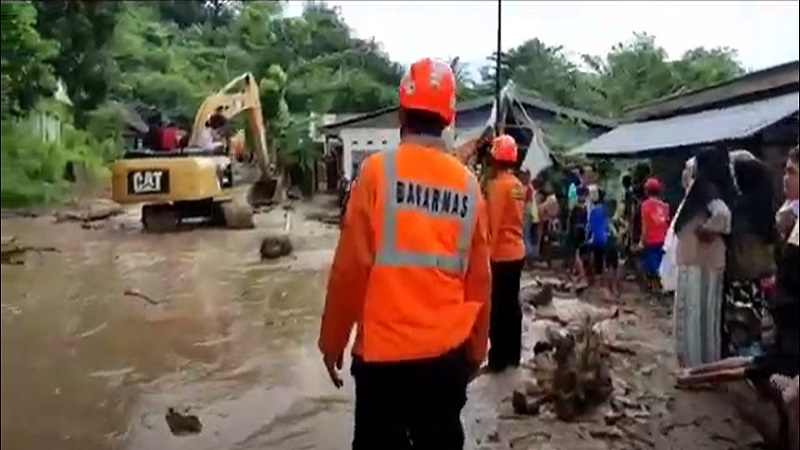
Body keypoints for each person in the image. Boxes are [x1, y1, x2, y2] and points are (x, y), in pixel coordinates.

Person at [318, 58, 491, 450]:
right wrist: (477, 350)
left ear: (400, 113)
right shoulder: (469, 186)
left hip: (382, 362)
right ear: (449, 118)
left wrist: (332, 342)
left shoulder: (377, 173)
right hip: (447, 360)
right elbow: (479, 281)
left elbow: (349, 269)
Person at [672, 147, 736, 368]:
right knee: (707, 317)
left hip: (698, 260)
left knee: (693, 314)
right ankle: (707, 362)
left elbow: (723, 215)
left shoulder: (706, 188)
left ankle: (694, 365)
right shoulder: (718, 188)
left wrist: (707, 229)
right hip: (709, 260)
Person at [724, 154, 777, 359]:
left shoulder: (738, 207)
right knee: (764, 325)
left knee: (743, 327)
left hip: (742, 275)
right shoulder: (766, 205)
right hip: (766, 271)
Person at [486, 134, 525, 373]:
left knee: (498, 308)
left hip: (500, 254)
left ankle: (498, 359)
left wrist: (483, 258)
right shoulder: (518, 185)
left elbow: (493, 224)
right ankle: (513, 355)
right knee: (512, 306)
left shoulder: (498, 187)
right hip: (517, 252)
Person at [639, 177, 671, 292]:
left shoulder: (645, 205)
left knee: (652, 265)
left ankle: (656, 288)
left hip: (651, 240)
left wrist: (642, 241)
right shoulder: (665, 206)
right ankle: (659, 287)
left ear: (646, 191)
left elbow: (645, 225)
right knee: (660, 264)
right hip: (663, 239)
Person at [588, 188, 616, 299]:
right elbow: (608, 225)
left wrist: (588, 237)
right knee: (609, 264)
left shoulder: (593, 211)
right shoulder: (605, 210)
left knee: (598, 262)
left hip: (596, 240)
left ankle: (599, 287)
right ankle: (610, 287)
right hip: (606, 239)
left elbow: (590, 227)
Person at [567, 186, 589, 290]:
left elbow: (571, 222)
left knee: (575, 255)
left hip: (575, 232)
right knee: (576, 255)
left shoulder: (576, 207)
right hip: (582, 232)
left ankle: (581, 276)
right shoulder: (585, 207)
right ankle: (577, 276)